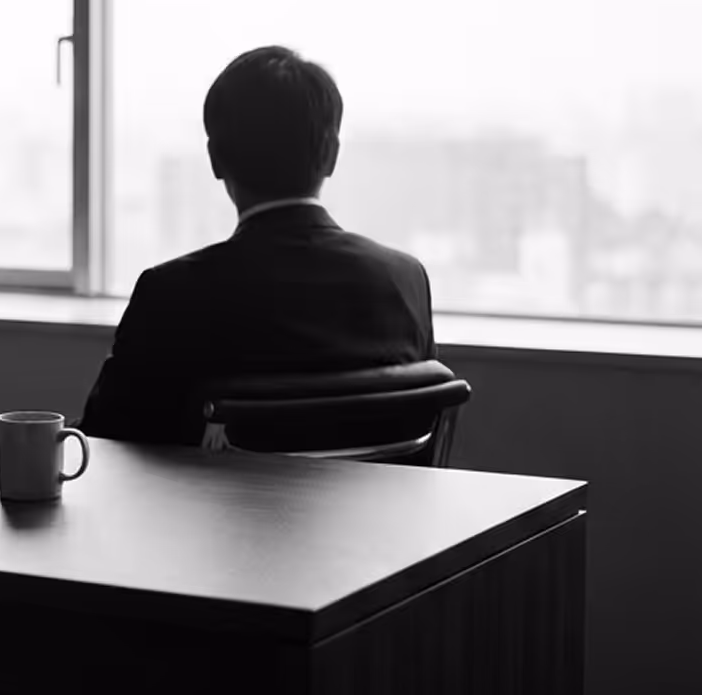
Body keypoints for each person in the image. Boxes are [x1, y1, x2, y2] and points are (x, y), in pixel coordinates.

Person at [77, 45, 435, 445]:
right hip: (376, 510)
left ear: (215, 158)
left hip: (216, 510)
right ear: (332, 154)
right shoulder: (407, 281)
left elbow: (101, 446)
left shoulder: (172, 294)